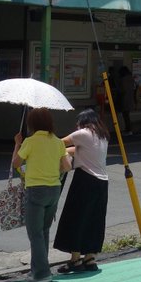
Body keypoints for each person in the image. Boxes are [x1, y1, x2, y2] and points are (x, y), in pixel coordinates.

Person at [11, 107, 71, 282]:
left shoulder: (30, 141)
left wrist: (17, 144)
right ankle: (38, 270)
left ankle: (42, 273)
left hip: (36, 189)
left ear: (32, 124)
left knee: (35, 233)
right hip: (54, 190)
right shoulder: (57, 142)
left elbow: (16, 162)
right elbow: (67, 165)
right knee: (44, 231)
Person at [53, 109, 109, 273]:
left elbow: (59, 144)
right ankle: (90, 258)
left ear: (83, 121)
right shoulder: (102, 135)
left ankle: (75, 259)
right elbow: (79, 151)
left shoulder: (83, 133)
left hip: (85, 180)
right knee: (94, 220)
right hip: (102, 183)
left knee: (75, 218)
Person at [117, 65, 136, 135]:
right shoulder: (132, 78)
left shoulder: (123, 80)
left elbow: (122, 90)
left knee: (126, 116)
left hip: (125, 99)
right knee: (127, 115)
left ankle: (128, 130)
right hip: (131, 99)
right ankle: (128, 130)